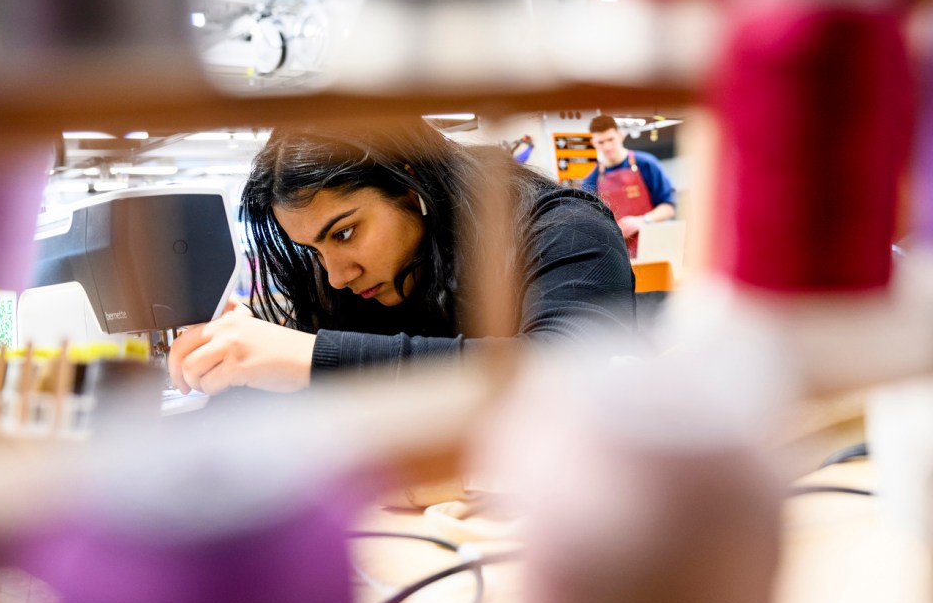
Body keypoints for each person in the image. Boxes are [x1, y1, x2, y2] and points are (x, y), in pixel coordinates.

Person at [168, 117, 636, 396]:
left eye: (346, 232)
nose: (335, 276)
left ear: (411, 186)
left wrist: (312, 357)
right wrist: (241, 365)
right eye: (315, 250)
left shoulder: (566, 230)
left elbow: (565, 373)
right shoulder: (352, 282)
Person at [580, 115, 677, 257]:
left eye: (610, 139)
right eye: (601, 142)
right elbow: (591, 227)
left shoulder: (646, 164)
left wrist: (642, 221)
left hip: (655, 249)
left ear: (620, 136)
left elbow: (669, 208)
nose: (607, 146)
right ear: (593, 142)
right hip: (618, 256)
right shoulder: (590, 181)